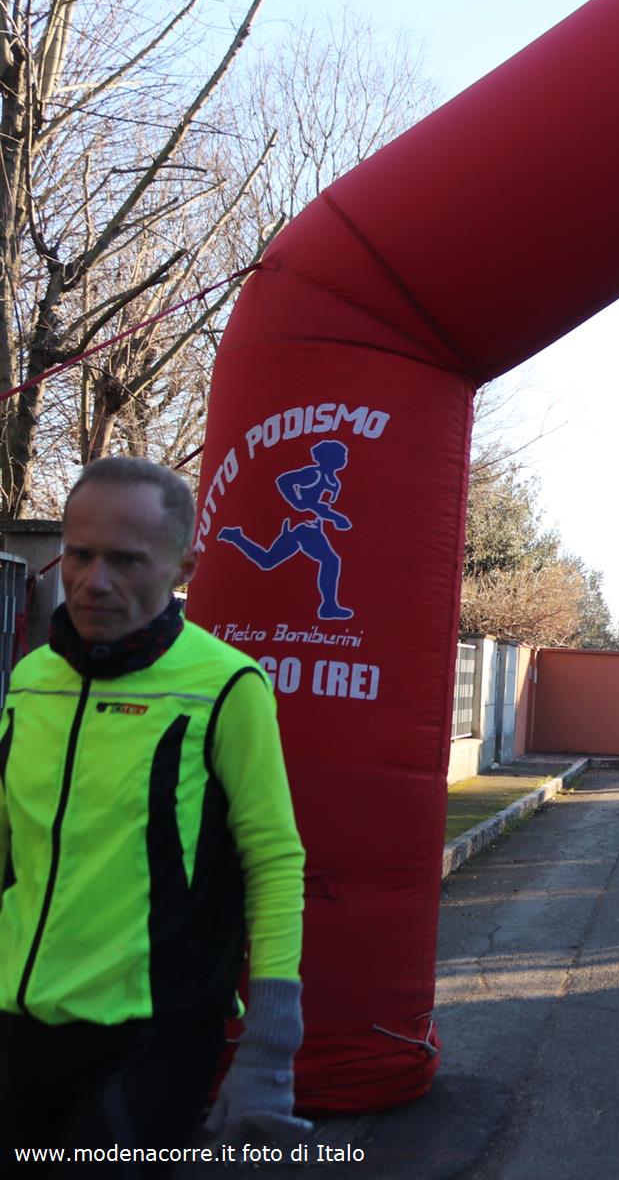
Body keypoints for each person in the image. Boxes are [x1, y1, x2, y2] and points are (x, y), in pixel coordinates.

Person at [0, 457, 309, 1174]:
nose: (94, 580)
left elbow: (273, 861)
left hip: (154, 1036)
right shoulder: (30, 679)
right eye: (80, 554)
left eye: (126, 560)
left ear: (183, 567)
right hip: (17, 1022)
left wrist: (269, 1048)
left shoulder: (226, 684)